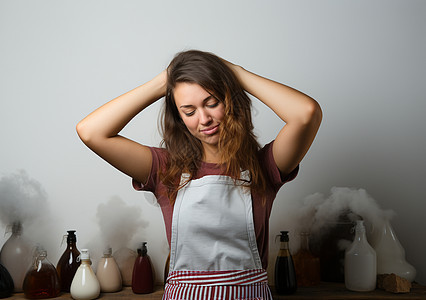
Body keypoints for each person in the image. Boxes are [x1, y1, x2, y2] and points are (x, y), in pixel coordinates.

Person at [76, 50, 322, 300]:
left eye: (212, 102)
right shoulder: (165, 169)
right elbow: (91, 132)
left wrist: (236, 73)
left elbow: (306, 114)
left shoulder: (265, 166)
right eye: (189, 110)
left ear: (230, 100)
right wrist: (165, 81)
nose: (204, 119)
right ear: (179, 118)